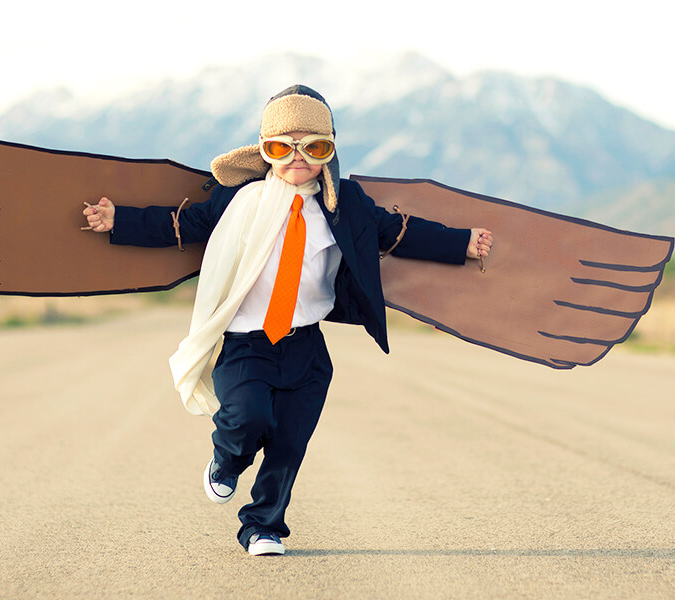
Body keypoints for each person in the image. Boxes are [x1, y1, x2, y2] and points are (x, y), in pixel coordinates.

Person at [81, 85, 492, 556]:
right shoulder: (238, 198)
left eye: (314, 147)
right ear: (264, 150)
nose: (298, 158)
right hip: (245, 342)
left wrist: (460, 243)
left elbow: (398, 231)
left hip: (306, 346)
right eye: (282, 148)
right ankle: (226, 461)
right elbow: (183, 225)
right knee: (247, 417)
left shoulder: (345, 204)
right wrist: (119, 221)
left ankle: (263, 528)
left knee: (289, 444)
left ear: (329, 152)